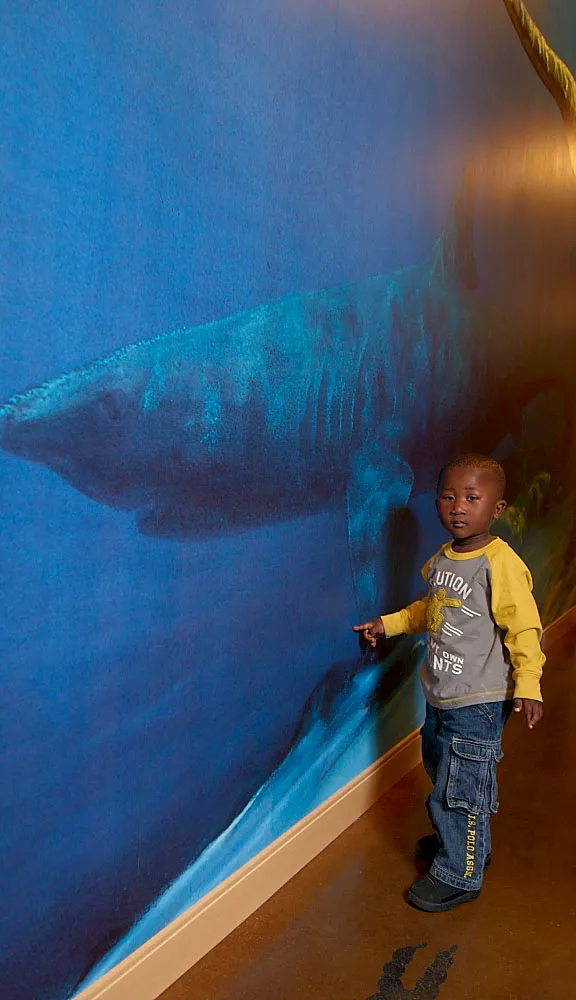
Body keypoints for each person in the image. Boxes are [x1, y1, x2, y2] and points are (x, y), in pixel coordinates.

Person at [353, 454, 544, 912]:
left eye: (473, 499)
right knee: (446, 774)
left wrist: (529, 683)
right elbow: (427, 611)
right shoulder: (443, 560)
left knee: (462, 787)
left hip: (478, 700)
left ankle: (460, 872)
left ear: (496, 509)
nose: (459, 507)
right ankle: (467, 845)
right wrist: (388, 623)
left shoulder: (500, 564)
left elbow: (524, 629)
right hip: (442, 696)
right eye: (449, 497)